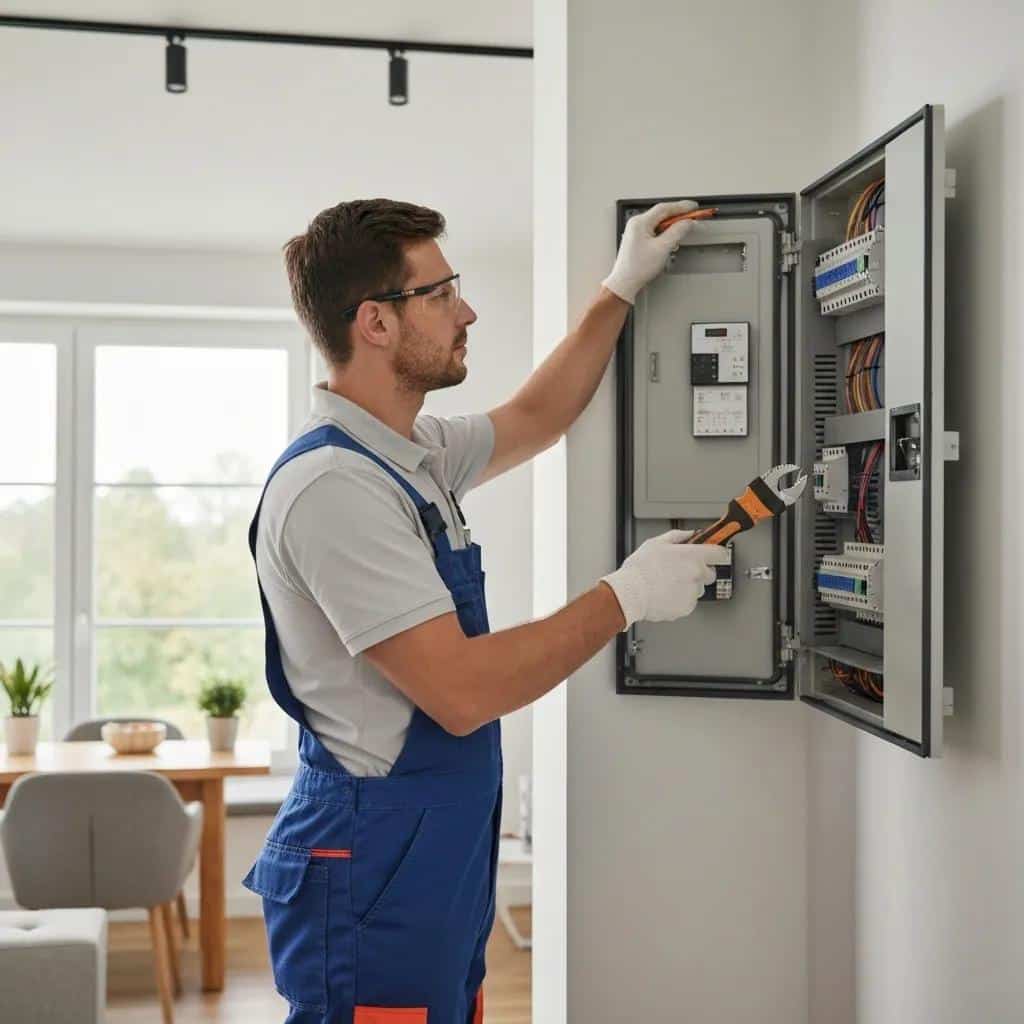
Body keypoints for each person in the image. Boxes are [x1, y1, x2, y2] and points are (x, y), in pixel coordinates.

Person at [243, 197, 728, 1024]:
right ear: (376, 324)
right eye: (439, 294)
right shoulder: (335, 488)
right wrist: (626, 597)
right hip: (373, 871)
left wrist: (620, 286)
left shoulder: (411, 452)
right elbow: (460, 693)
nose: (466, 310)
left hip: (425, 856)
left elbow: (539, 415)